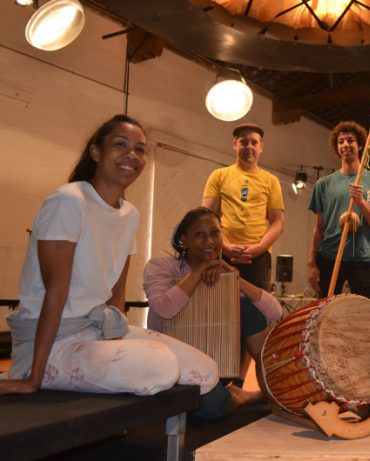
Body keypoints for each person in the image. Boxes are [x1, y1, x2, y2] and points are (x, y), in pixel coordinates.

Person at [0, 115, 241, 419]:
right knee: (162, 366)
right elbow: (56, 292)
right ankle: (42, 370)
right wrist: (31, 377)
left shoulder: (129, 214)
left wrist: (116, 340)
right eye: (120, 145)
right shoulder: (68, 201)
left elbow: (116, 292)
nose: (132, 155)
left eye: (140, 150)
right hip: (51, 341)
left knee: (207, 370)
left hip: (95, 330)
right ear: (96, 152)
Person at [143, 206, 282, 396]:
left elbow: (275, 312)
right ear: (184, 239)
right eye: (199, 235)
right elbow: (164, 308)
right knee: (208, 404)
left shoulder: (223, 274)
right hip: (172, 367)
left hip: (217, 363)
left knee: (249, 309)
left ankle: (272, 394)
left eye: (215, 233)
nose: (209, 241)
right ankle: (244, 398)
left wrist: (236, 280)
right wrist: (199, 270)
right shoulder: (162, 267)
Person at [308, 121, 370, 300]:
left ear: (360, 144)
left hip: (362, 258)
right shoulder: (323, 184)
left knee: (366, 313)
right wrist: (312, 264)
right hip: (329, 257)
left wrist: (361, 202)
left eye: (350, 140)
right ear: (337, 148)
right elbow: (318, 228)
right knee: (325, 310)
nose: (345, 145)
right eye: (341, 141)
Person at [202, 123, 284, 291]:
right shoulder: (219, 176)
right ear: (235, 144)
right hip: (223, 255)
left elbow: (278, 222)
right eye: (243, 142)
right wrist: (223, 246)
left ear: (261, 147)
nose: (249, 147)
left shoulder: (271, 181)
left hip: (259, 258)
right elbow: (206, 217)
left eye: (254, 142)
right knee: (221, 308)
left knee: (256, 311)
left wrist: (259, 248)